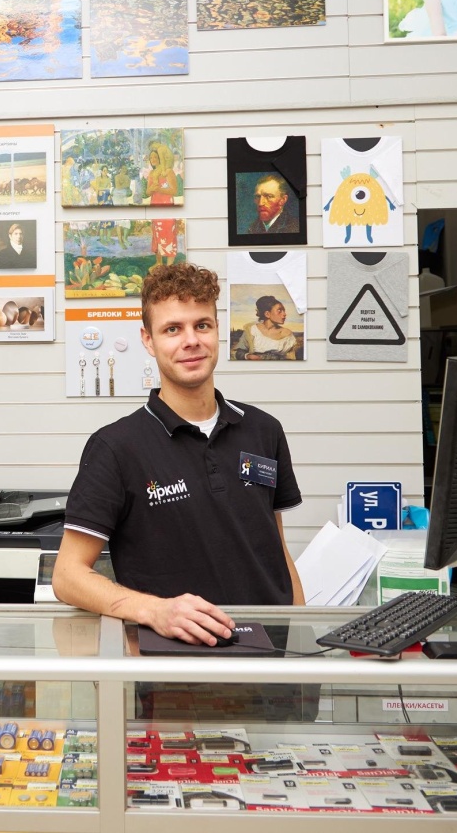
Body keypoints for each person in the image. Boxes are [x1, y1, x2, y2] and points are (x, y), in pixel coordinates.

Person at [52, 264, 305, 645]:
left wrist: (303, 640)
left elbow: (277, 549)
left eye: (202, 325)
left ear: (217, 331)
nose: (191, 341)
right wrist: (154, 610)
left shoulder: (263, 430)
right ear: (148, 340)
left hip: (268, 661)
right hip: (172, 676)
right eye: (173, 329)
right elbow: (68, 576)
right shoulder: (116, 447)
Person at [233, 295, 299, 360]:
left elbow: (292, 358)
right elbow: (239, 352)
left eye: (284, 311)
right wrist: (248, 356)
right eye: (279, 311)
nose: (284, 314)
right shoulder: (252, 331)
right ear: (267, 314)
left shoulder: (287, 334)